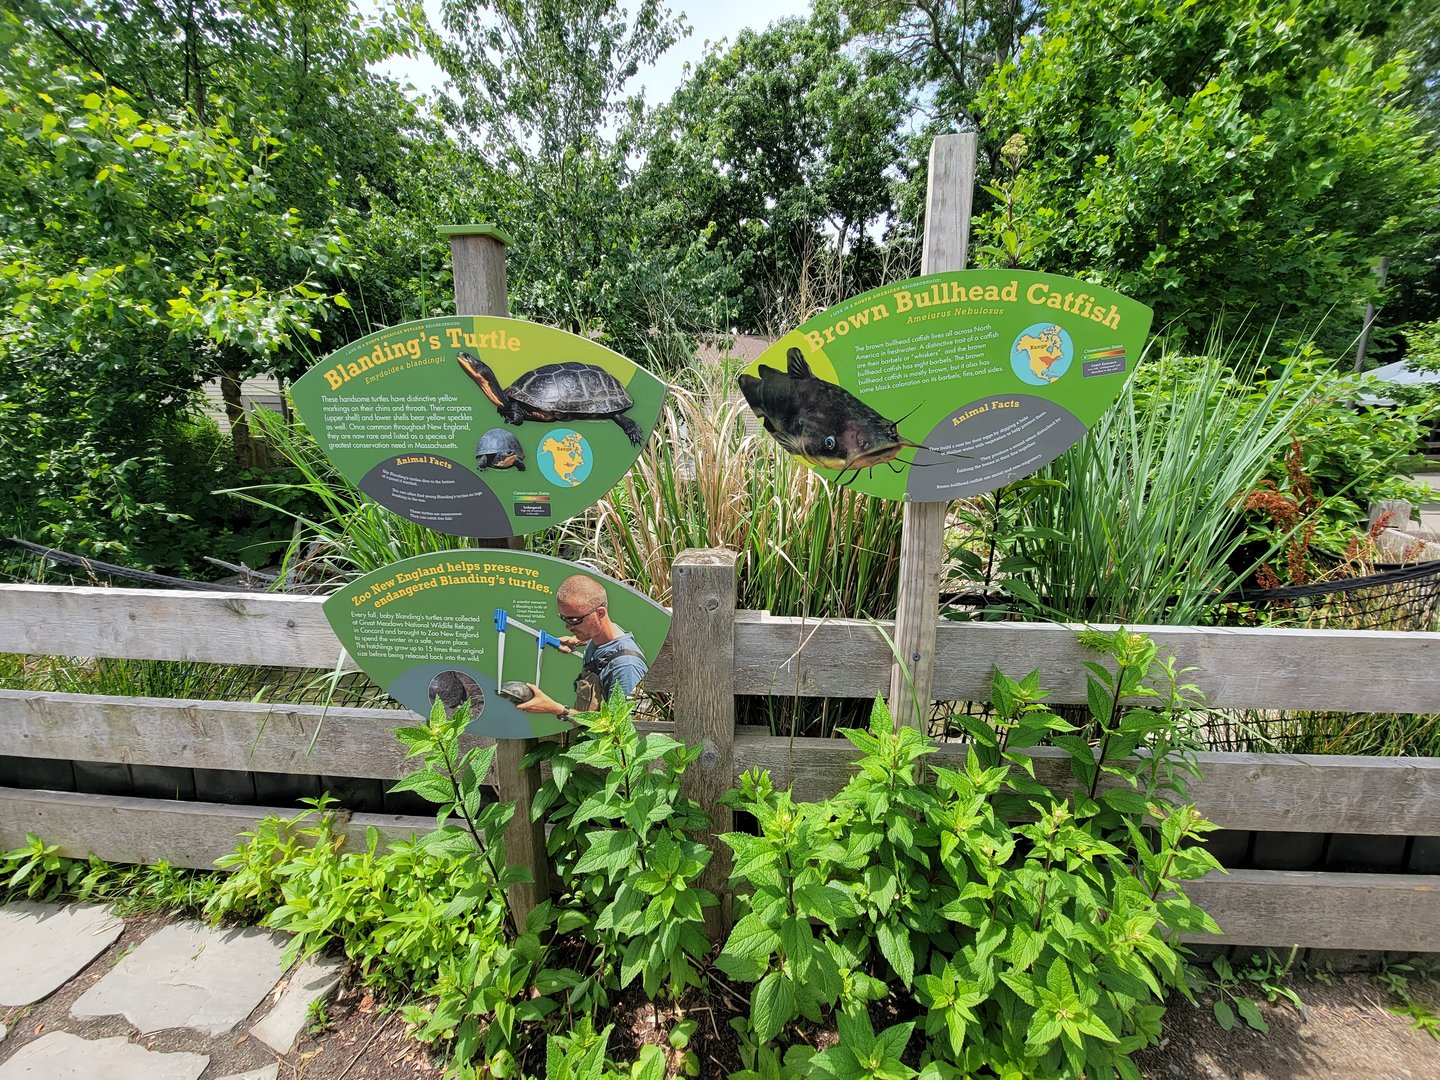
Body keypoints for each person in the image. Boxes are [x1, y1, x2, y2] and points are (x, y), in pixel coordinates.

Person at [514, 574, 648, 722]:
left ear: (600, 613)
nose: (568, 626)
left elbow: (619, 731)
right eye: (563, 618)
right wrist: (578, 640)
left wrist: (555, 709)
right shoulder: (598, 637)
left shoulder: (625, 667)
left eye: (575, 620)